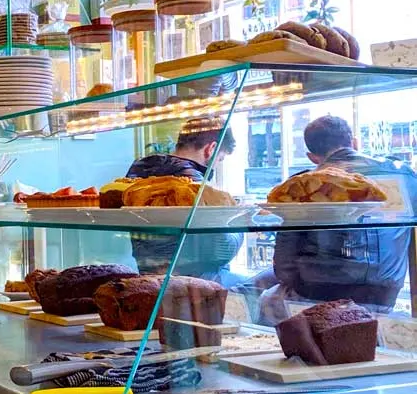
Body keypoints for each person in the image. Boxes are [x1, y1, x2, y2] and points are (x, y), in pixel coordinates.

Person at [258, 115, 414, 324]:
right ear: (355, 142)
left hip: (320, 300)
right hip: (386, 298)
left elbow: (284, 267)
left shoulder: (305, 186)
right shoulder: (405, 174)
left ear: (312, 156)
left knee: (264, 298)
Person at [127, 118, 244, 285]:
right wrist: (241, 219)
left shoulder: (138, 168)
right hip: (192, 282)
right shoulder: (191, 183)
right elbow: (221, 250)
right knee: (256, 288)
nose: (217, 165)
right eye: (220, 159)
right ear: (210, 149)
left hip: (149, 277)